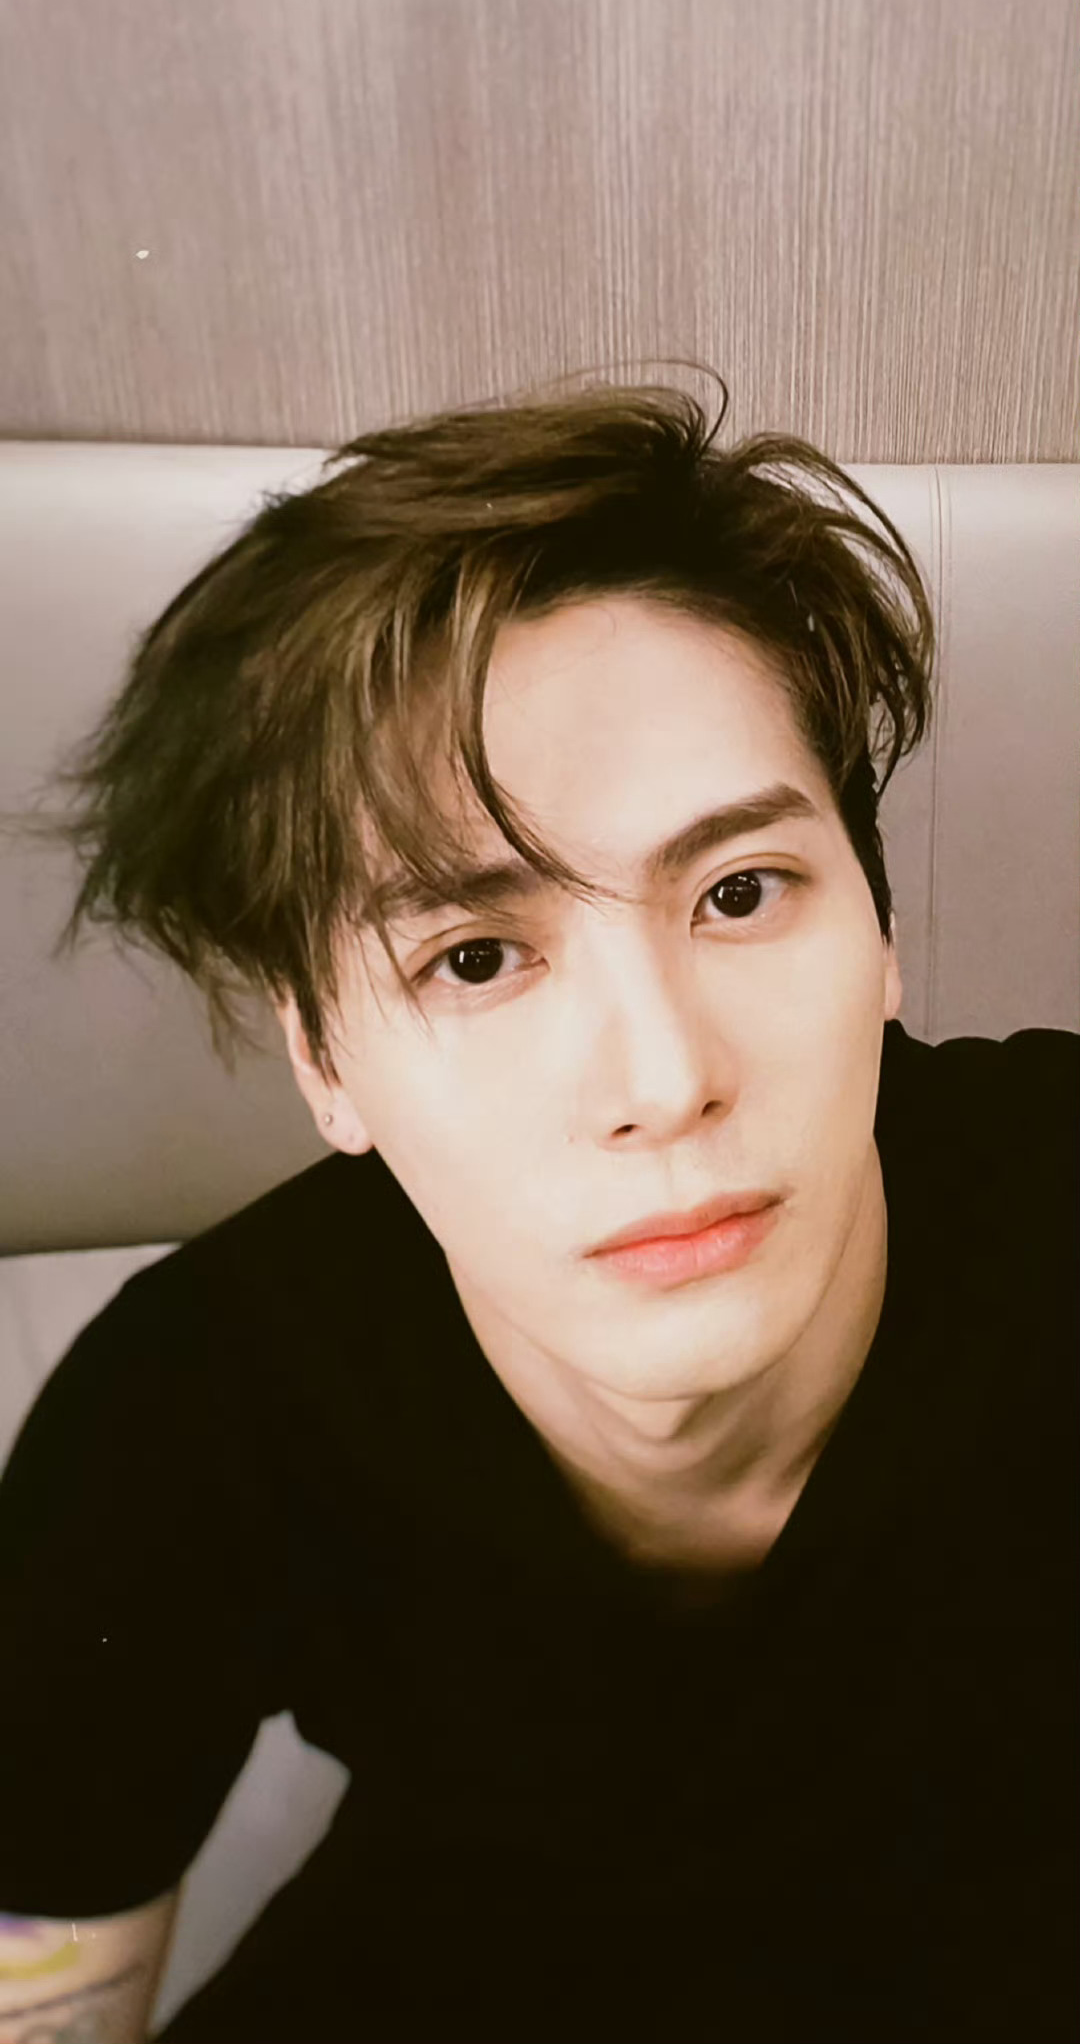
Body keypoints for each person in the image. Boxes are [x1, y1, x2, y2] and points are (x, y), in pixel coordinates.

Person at [1, 376, 1076, 2044]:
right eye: (477, 955)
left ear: (881, 932)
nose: (663, 1077)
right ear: (325, 1061)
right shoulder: (190, 1411)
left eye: (739, 891)